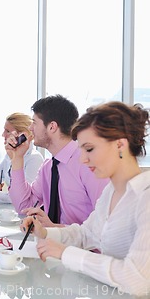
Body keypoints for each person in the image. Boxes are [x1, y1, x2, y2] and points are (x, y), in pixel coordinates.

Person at [22, 101, 150, 296]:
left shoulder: (145, 197)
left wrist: (66, 253)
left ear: (120, 145)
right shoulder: (110, 193)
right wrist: (46, 233)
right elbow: (86, 234)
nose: (82, 159)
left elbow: (137, 280)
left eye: (89, 149)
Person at [7, 95, 109, 226]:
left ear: (52, 127)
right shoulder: (48, 167)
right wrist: (17, 159)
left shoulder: (88, 163)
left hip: (84, 246)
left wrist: (55, 228)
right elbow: (23, 206)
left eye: (35, 123)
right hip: (53, 243)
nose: (30, 128)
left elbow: (106, 223)